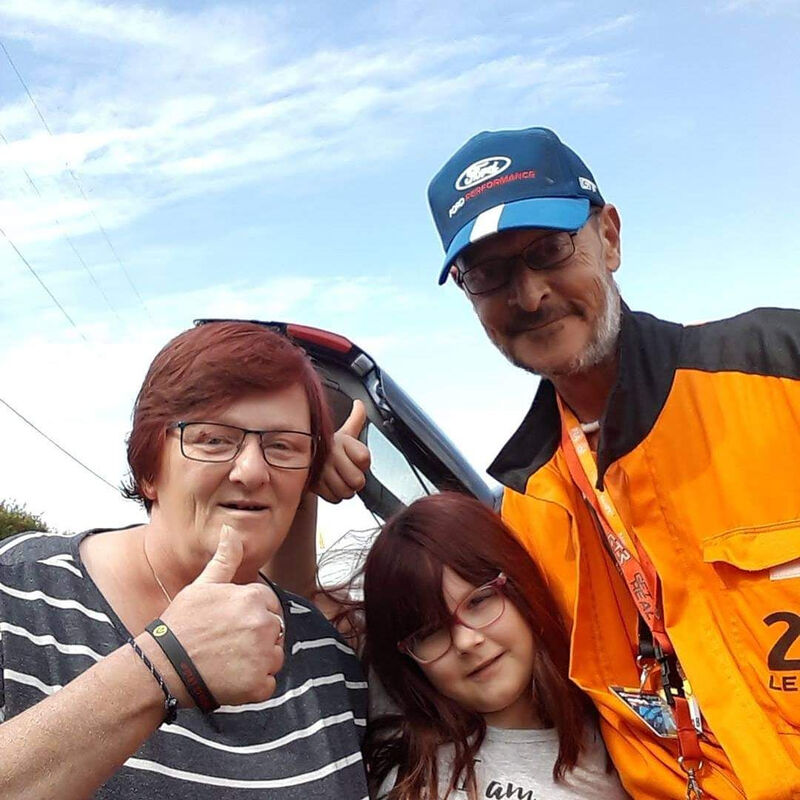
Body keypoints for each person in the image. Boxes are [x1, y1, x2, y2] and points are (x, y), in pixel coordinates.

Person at [424, 126, 800, 799]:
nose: (529, 295)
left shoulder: (781, 368)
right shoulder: (526, 507)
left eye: (549, 249)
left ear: (611, 237)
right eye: (488, 274)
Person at [0, 321, 368, 799]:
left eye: (282, 446)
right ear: (149, 468)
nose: (252, 471)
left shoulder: (327, 657)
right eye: (213, 439)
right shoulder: (19, 593)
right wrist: (165, 664)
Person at [362, 491, 627, 800]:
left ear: (520, 582)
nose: (466, 641)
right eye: (431, 632)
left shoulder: (621, 718)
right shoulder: (410, 759)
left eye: (480, 600)